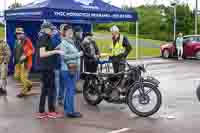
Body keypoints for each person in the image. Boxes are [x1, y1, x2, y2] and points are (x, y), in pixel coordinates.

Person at [37, 22, 64, 119]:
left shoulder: (44, 37)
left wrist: (56, 48)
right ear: (45, 29)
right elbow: (42, 54)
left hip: (47, 67)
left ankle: (42, 111)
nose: (53, 31)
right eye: (51, 29)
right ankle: (51, 111)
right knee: (51, 89)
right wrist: (56, 51)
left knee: (45, 90)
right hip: (47, 68)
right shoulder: (45, 37)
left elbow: (47, 50)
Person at [58, 24, 83, 118]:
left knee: (69, 90)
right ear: (64, 33)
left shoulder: (70, 42)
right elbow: (63, 57)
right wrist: (78, 55)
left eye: (71, 32)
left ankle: (67, 108)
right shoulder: (64, 43)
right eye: (68, 32)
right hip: (68, 70)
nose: (71, 33)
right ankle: (70, 112)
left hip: (71, 69)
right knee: (70, 91)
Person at [14, 27, 35, 98]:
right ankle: (29, 84)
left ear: (23, 34)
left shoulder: (27, 40)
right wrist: (14, 58)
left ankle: (23, 92)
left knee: (23, 78)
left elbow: (33, 50)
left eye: (20, 33)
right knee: (16, 76)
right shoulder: (16, 41)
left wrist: (26, 55)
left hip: (26, 63)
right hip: (18, 62)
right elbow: (16, 51)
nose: (18, 35)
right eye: (17, 34)